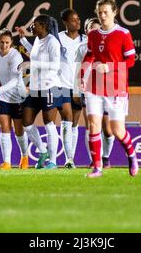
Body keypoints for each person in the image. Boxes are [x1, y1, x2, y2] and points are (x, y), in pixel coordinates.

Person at [81, 0, 138, 178]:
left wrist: (110, 66)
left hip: (116, 85)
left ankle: (132, 155)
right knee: (93, 124)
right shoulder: (93, 34)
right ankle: (97, 167)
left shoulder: (123, 34)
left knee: (117, 130)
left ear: (114, 12)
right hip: (95, 85)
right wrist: (82, 76)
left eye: (106, 12)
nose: (103, 15)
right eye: (100, 12)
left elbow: (131, 60)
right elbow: (89, 56)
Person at [17, 14, 62, 169]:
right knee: (26, 123)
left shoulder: (53, 42)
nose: (31, 26)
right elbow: (34, 54)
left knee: (49, 124)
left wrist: (31, 63)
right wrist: (23, 40)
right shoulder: (38, 39)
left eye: (34, 24)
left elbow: (56, 65)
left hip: (49, 87)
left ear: (43, 26)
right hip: (35, 88)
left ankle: (53, 161)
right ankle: (43, 151)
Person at [75, 17, 115, 169]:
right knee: (91, 126)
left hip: (108, 89)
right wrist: (77, 89)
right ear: (86, 31)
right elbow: (78, 69)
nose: (94, 31)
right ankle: (95, 159)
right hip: (89, 90)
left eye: (97, 28)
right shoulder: (81, 47)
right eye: (91, 28)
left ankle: (106, 157)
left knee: (108, 128)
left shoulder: (108, 44)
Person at [0, 28, 29, 170]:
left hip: (17, 96)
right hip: (2, 97)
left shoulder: (16, 56)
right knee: (4, 128)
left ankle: (24, 157)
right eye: (1, 42)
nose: (4, 45)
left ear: (11, 42)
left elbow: (14, 81)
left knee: (19, 130)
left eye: (7, 42)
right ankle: (7, 162)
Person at [56, 9, 85, 169]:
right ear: (66, 22)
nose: (77, 22)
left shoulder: (85, 40)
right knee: (66, 120)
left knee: (74, 123)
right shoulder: (58, 38)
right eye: (73, 20)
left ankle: (71, 159)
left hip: (78, 86)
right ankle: (68, 159)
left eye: (78, 19)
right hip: (61, 85)